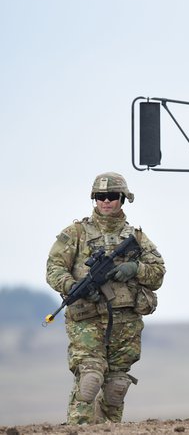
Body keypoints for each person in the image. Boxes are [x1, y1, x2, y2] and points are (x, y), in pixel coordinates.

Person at [46, 172, 165, 425]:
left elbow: (157, 274)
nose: (106, 202)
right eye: (100, 197)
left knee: (116, 386)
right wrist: (73, 285)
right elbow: (54, 268)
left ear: (123, 199)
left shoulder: (137, 238)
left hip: (126, 321)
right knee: (90, 378)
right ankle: (78, 428)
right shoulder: (76, 233)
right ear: (94, 199)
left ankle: (110, 429)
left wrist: (135, 269)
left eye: (112, 196)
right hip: (86, 318)